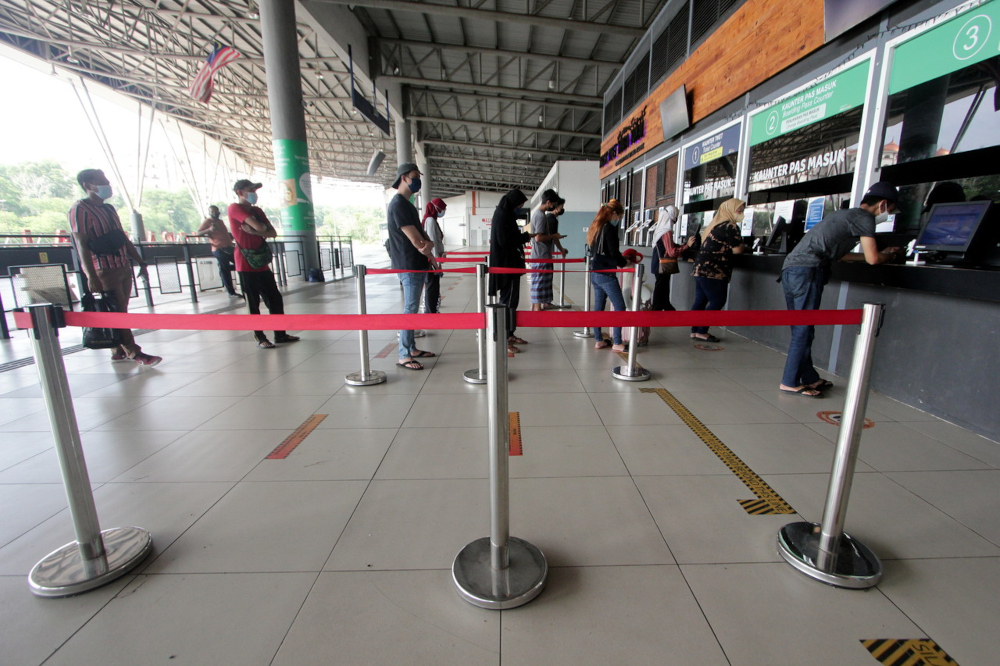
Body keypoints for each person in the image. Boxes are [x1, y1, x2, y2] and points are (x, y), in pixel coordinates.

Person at [779, 181, 903, 397]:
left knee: (802, 329)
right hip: (807, 272)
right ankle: (789, 382)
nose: (889, 214)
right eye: (890, 210)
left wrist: (872, 255)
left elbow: (842, 255)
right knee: (803, 330)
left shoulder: (846, 215)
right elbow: (873, 259)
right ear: (883, 204)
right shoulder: (865, 219)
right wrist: (891, 254)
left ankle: (810, 378)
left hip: (792, 270)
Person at [69, 169, 161, 366]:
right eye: (100, 181)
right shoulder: (80, 210)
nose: (106, 185)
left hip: (121, 265)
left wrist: (139, 261)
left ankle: (117, 349)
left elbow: (121, 238)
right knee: (118, 313)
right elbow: (81, 245)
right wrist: (91, 275)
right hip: (104, 268)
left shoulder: (109, 209)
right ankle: (134, 353)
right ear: (88, 185)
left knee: (119, 310)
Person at [227, 179, 300, 349]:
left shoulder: (257, 210)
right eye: (250, 190)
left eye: (255, 190)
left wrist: (254, 230)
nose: (254, 193)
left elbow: (272, 232)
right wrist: (258, 229)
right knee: (253, 303)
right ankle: (260, 337)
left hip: (261, 263)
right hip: (245, 264)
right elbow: (261, 228)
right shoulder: (234, 208)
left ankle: (280, 334)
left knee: (274, 299)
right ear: (240, 192)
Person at [387, 163, 437, 370]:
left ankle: (412, 348)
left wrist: (429, 248)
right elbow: (418, 241)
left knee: (413, 307)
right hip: (409, 264)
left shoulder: (407, 204)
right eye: (415, 176)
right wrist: (427, 248)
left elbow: (423, 236)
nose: (418, 180)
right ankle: (404, 354)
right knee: (410, 308)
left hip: (416, 263)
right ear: (403, 178)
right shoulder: (398, 204)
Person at [689, 198, 747, 343]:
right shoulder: (730, 226)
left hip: (700, 268)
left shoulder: (714, 225)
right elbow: (738, 249)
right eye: (738, 209)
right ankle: (702, 331)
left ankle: (695, 331)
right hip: (714, 270)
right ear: (729, 210)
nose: (741, 212)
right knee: (717, 301)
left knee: (700, 301)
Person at [488, 188, 535, 353]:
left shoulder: (504, 214)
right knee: (508, 302)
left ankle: (510, 333)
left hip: (508, 264)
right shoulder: (502, 215)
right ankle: (505, 337)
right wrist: (525, 237)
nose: (520, 208)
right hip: (507, 266)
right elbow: (505, 240)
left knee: (511, 300)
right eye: (519, 205)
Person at [587, 199, 635, 352]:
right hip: (606, 274)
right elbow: (614, 253)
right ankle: (618, 342)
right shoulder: (609, 229)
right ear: (614, 213)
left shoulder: (596, 226)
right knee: (620, 306)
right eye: (619, 216)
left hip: (595, 272)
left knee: (599, 307)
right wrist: (624, 262)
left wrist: (620, 259)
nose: (619, 219)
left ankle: (598, 340)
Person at [648, 205, 693, 312]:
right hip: (663, 264)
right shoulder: (667, 232)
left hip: (657, 262)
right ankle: (657, 308)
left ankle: (665, 305)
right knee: (661, 286)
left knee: (662, 285)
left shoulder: (660, 230)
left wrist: (680, 245)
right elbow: (671, 252)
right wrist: (687, 246)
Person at [190, 205, 241, 298]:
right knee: (225, 269)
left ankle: (224, 270)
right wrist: (209, 230)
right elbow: (198, 233)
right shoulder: (208, 221)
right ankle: (231, 291)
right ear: (209, 213)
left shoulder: (220, 221)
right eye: (213, 212)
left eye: (217, 211)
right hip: (219, 248)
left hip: (228, 247)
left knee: (239, 263)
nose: (216, 213)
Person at [529, 189, 566, 311]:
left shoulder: (537, 214)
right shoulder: (541, 217)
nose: (554, 206)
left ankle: (535, 307)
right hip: (541, 255)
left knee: (538, 284)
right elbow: (538, 237)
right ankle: (536, 309)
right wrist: (553, 237)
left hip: (539, 254)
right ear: (548, 202)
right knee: (539, 285)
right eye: (554, 204)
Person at [422, 197, 447, 314]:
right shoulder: (431, 220)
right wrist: (436, 263)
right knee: (432, 287)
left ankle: (431, 310)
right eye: (442, 209)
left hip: (433, 260)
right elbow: (433, 243)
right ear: (436, 208)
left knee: (432, 286)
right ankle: (430, 311)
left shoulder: (430, 219)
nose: (443, 211)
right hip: (432, 261)